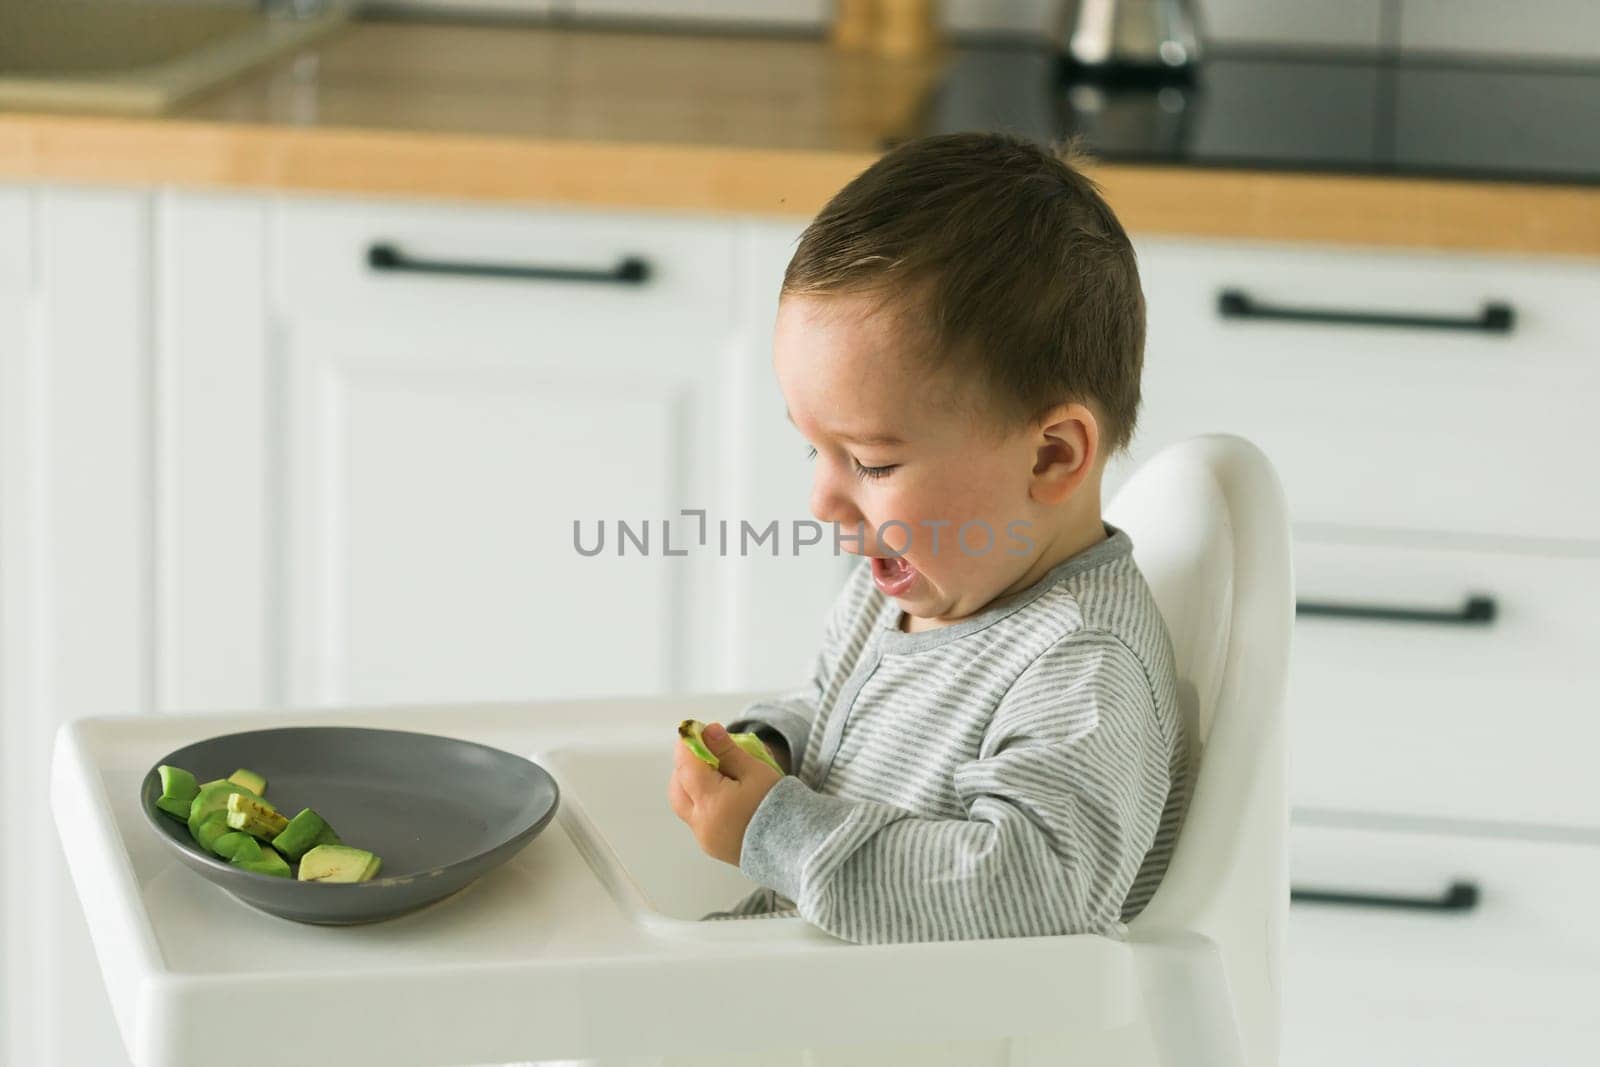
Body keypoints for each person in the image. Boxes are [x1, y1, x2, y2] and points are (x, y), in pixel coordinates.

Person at [666, 131, 1191, 945]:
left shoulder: (1082, 669)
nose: (822, 501)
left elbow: (1032, 887)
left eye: (871, 461)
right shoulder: (911, 588)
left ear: (1051, 455)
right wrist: (773, 743)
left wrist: (777, 834)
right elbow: (836, 716)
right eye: (817, 449)